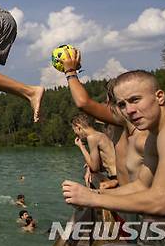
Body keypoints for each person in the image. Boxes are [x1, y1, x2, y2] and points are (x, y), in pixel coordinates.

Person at [62, 70, 165, 227]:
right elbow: (141, 185)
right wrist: (93, 193)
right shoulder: (153, 135)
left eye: (135, 100)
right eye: (122, 104)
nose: (129, 110)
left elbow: (161, 201)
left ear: (159, 97)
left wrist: (94, 200)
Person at [62, 49, 148, 186]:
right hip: (124, 188)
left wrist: (70, 72)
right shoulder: (124, 126)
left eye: (108, 101)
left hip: (130, 196)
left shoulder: (125, 117)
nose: (105, 106)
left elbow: (84, 103)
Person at [71, 114, 117, 188]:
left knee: (90, 178)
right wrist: (89, 166)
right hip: (117, 176)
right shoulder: (100, 135)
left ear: (78, 127)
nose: (76, 135)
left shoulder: (92, 138)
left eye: (75, 131)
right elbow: (101, 165)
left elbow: (95, 168)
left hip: (115, 177)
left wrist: (81, 147)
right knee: (90, 173)